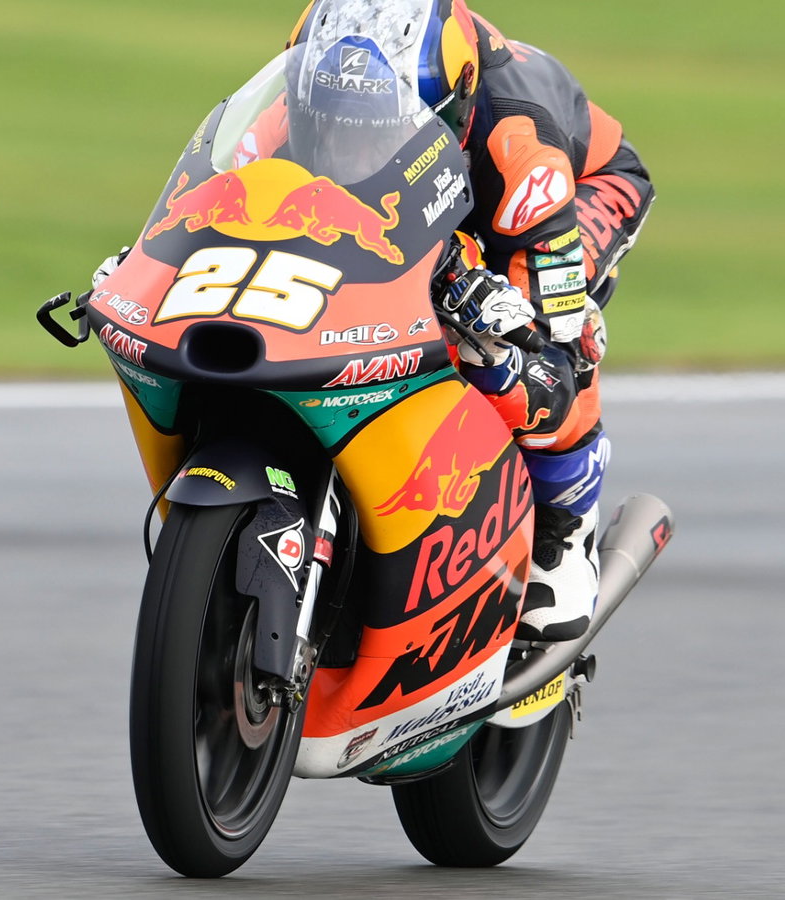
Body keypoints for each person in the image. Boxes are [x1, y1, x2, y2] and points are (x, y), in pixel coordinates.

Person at [94, 0, 654, 643]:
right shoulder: (283, 115)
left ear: (450, 108)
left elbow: (553, 360)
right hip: (423, 199)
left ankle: (564, 530)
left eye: (376, 130)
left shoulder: (519, 144)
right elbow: (216, 207)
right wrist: (154, 268)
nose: (348, 147)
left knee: (547, 347)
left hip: (574, 191)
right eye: (329, 122)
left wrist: (509, 345)